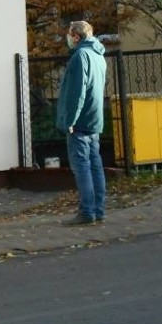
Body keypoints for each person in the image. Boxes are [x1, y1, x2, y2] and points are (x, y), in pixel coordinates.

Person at [56, 20, 107, 225]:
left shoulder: (80, 56)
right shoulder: (98, 55)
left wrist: (71, 119)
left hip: (80, 120)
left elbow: (77, 92)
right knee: (95, 166)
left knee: (82, 167)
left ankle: (87, 212)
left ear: (76, 36)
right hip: (95, 118)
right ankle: (98, 209)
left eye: (70, 34)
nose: (68, 38)